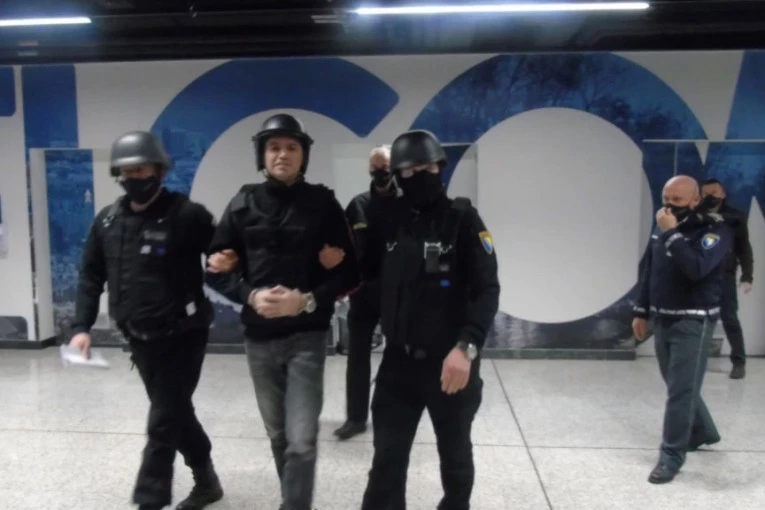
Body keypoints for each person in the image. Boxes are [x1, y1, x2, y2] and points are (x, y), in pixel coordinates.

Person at [205, 113, 360, 510]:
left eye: (292, 147)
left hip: (307, 336)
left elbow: (350, 272)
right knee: (278, 435)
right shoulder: (241, 204)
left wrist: (306, 300)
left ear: (303, 155)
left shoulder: (323, 205)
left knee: (302, 439)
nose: (282, 155)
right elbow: (216, 269)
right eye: (274, 147)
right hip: (258, 339)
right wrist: (248, 295)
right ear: (262, 154)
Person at [68, 131, 223, 510]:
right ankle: (207, 480)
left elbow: (225, 256)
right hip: (139, 340)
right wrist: (81, 328)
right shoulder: (108, 222)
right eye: (128, 170)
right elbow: (91, 276)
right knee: (175, 413)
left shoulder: (187, 216)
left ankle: (149, 500)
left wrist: (231, 268)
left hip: (183, 336)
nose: (135, 176)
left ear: (159, 170)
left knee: (162, 423)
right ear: (118, 174)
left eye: (142, 169)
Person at [360, 130, 500, 510]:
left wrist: (466, 347)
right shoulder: (391, 221)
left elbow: (487, 289)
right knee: (386, 461)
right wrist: (378, 180)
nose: (419, 176)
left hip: (450, 363)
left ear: (440, 167)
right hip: (397, 365)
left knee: (455, 460)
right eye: (409, 171)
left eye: (428, 168)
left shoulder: (462, 219)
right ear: (398, 176)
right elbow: (365, 258)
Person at [632, 175, 733, 485]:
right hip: (662, 317)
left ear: (695, 200)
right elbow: (651, 270)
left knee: (681, 392)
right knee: (678, 385)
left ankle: (671, 456)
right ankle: (704, 431)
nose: (669, 204)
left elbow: (697, 269)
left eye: (677, 200)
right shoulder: (662, 227)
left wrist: (672, 234)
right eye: (667, 198)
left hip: (694, 321)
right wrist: (641, 310)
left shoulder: (714, 231)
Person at [334, 145, 398, 441]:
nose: (380, 173)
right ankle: (355, 418)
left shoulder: (408, 204)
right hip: (364, 292)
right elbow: (345, 248)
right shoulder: (357, 205)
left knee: (398, 356)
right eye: (375, 168)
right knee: (357, 356)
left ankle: (392, 416)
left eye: (384, 167)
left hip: (397, 293)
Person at [700, 178, 753, 379]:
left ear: (722, 193)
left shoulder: (735, 217)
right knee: (698, 319)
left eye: (713, 192)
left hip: (725, 275)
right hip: (700, 274)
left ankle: (739, 362)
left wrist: (747, 275)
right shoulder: (695, 215)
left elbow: (744, 248)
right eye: (705, 194)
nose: (710, 197)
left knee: (729, 317)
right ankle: (694, 360)